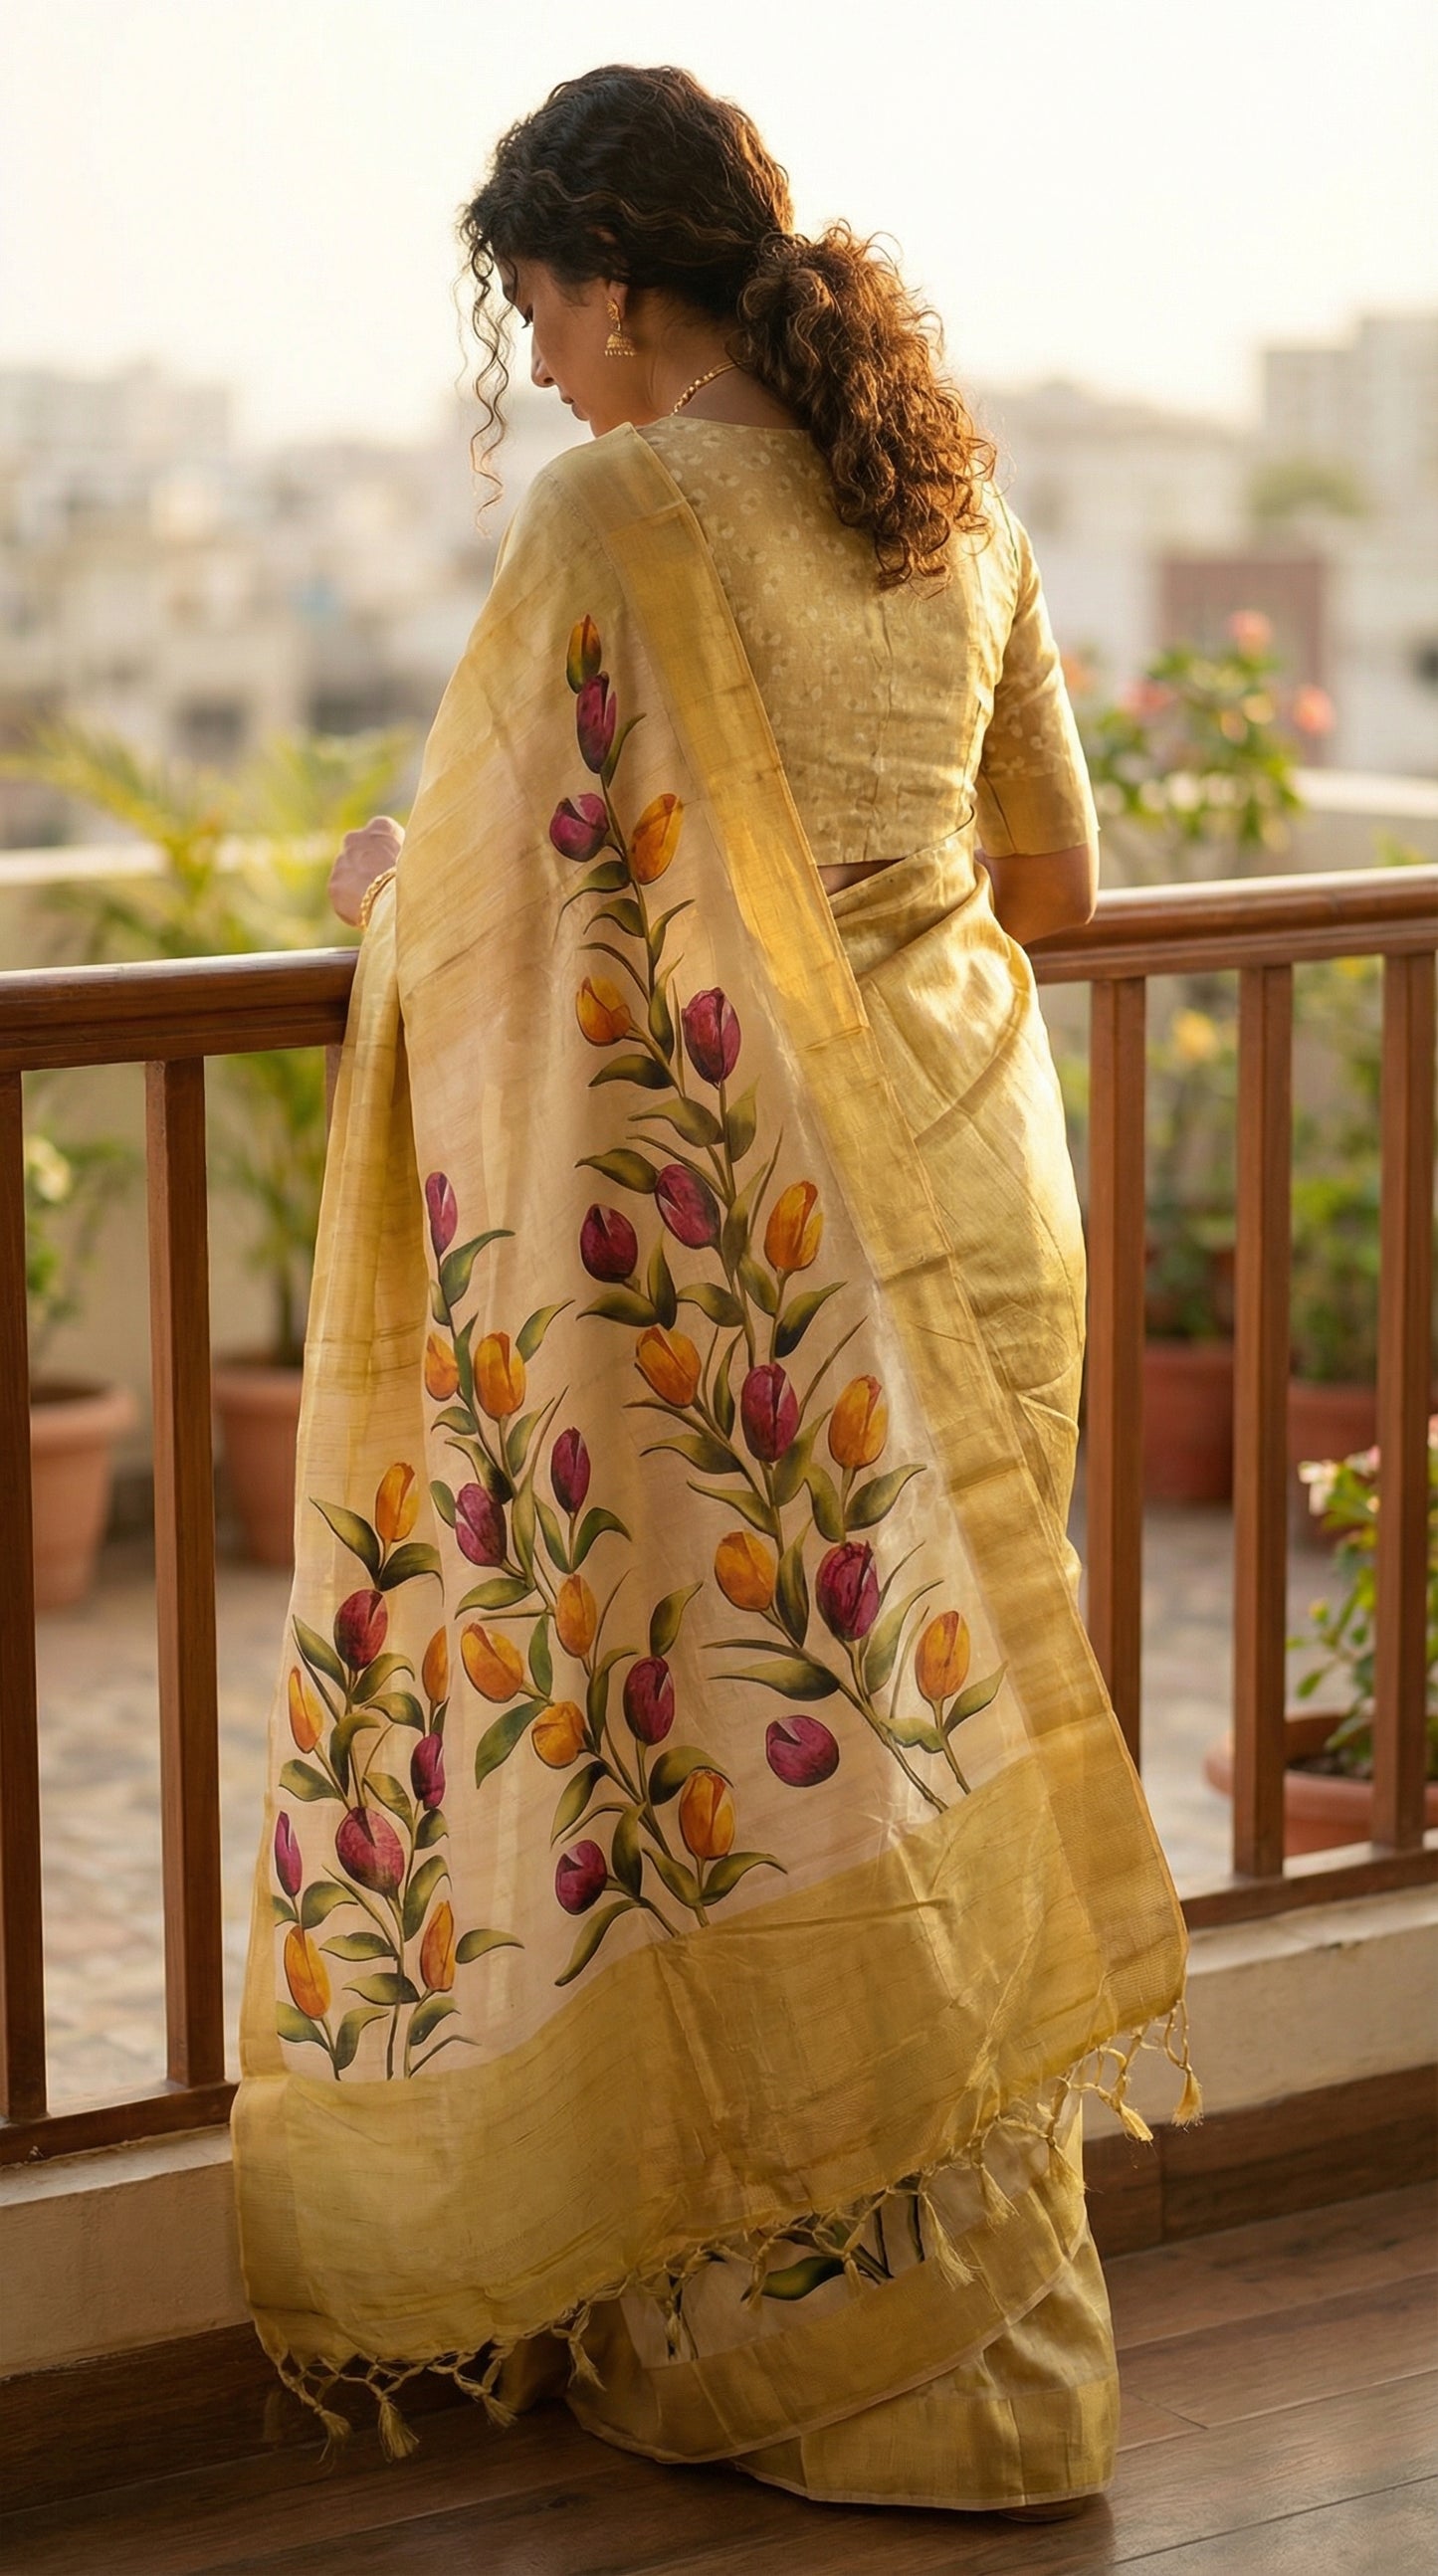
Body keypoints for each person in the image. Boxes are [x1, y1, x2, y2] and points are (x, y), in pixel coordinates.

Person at [237, 63, 1194, 2521]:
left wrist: (381, 899)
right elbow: (1051, 878)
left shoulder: (624, 509)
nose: (541, 365)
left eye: (542, 309)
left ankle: (816, 2365)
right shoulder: (946, 495)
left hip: (766, 1229)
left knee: (782, 1757)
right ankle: (1007, 2352)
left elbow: (501, 882)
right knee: (931, 1752)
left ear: (622, 276)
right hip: (991, 1179)